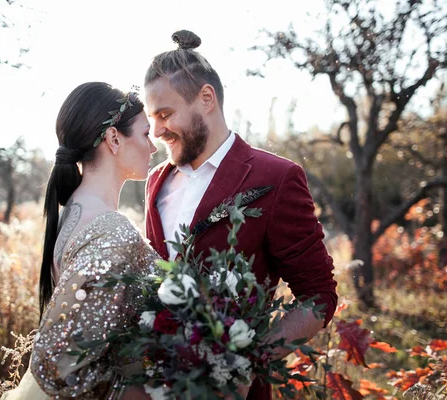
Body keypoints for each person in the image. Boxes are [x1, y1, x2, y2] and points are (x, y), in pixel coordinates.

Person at [143, 30, 338, 399]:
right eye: (151, 119)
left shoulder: (276, 178)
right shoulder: (156, 182)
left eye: (165, 114)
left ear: (206, 99)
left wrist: (246, 361)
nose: (156, 132)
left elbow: (318, 295)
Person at [1, 82, 157, 400]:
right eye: (145, 134)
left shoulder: (69, 212)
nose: (153, 147)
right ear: (114, 138)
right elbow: (62, 361)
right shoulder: (112, 232)